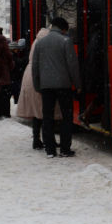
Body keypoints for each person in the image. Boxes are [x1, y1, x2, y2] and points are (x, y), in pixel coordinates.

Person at [32, 17, 81, 158]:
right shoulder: (66, 41)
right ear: (63, 29)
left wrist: (37, 85)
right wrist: (77, 85)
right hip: (63, 86)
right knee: (66, 117)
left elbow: (35, 67)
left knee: (47, 117)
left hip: (46, 86)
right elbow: (73, 66)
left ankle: (50, 149)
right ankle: (65, 149)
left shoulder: (40, 43)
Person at [16, 28, 60, 150]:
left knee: (36, 112)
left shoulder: (36, 41)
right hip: (41, 76)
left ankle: (36, 140)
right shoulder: (46, 43)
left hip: (29, 75)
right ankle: (48, 140)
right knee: (46, 111)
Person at [9, 39, 28, 104]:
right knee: (16, 92)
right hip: (15, 78)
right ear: (14, 49)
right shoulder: (13, 56)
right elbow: (19, 62)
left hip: (12, 78)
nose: (18, 51)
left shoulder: (10, 56)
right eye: (17, 49)